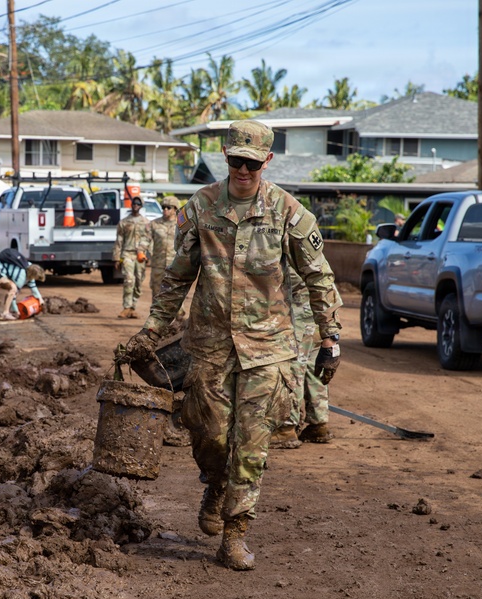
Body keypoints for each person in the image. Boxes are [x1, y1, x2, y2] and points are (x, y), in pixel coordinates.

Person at [125, 119, 342, 571]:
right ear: (226, 157)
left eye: (252, 163)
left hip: (268, 348)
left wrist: (330, 336)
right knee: (210, 435)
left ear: (268, 161)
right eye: (237, 161)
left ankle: (235, 534)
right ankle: (215, 481)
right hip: (209, 346)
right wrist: (150, 332)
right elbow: (177, 279)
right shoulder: (201, 207)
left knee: (252, 443)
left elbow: (318, 276)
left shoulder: (287, 212)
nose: (243, 170)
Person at [269, 268, 337, 449]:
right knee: (314, 368)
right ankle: (319, 424)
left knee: (293, 368)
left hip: (297, 312)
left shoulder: (288, 252)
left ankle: (286, 429)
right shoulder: (312, 255)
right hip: (319, 312)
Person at [112, 196, 151, 319]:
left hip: (140, 255)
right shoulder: (124, 222)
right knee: (129, 280)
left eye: (138, 203)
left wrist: (149, 256)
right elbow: (119, 240)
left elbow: (150, 240)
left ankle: (133, 307)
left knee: (139, 282)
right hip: (127, 254)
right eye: (134, 203)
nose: (135, 205)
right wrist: (117, 258)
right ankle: (126, 307)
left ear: (141, 206)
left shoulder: (146, 223)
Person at [0, 248, 45, 321]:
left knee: (11, 290)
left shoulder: (29, 266)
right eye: (36, 278)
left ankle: (7, 311)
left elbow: (33, 286)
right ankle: (5, 313)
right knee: (13, 289)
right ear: (33, 275)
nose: (36, 279)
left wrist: (40, 299)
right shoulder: (20, 276)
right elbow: (14, 295)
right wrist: (16, 311)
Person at [150, 196, 180, 297]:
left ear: (175, 209)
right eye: (163, 207)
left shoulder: (182, 225)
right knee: (157, 292)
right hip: (158, 265)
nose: (165, 210)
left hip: (175, 265)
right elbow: (145, 240)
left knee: (175, 294)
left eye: (168, 207)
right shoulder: (154, 224)